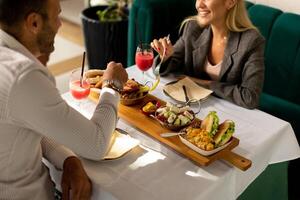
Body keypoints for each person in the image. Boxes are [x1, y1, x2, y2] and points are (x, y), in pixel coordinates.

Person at [0, 0, 128, 199]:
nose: (60, 24)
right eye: (56, 16)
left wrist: (68, 159)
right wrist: (112, 86)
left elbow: (28, 123)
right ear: (34, 23)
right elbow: (96, 144)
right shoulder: (24, 77)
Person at [151, 0, 265, 109]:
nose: (199, 4)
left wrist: (203, 83)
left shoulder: (251, 41)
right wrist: (165, 57)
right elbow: (163, 71)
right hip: (192, 108)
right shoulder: (193, 27)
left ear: (230, 2)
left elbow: (250, 97)